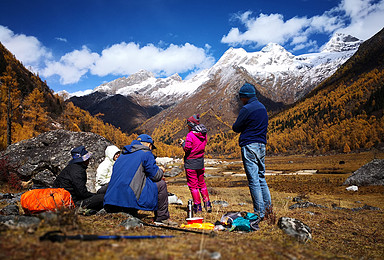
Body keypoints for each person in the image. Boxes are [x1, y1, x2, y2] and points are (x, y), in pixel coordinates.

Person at [103, 134, 177, 226]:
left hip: (111, 198)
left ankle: (129, 210)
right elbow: (156, 176)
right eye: (151, 147)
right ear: (149, 145)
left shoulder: (123, 154)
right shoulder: (146, 153)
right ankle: (162, 218)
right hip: (129, 196)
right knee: (161, 184)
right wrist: (161, 170)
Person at [232, 83, 272, 219]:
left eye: (241, 97)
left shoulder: (246, 109)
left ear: (245, 97)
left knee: (253, 180)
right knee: (261, 178)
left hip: (249, 145)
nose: (240, 100)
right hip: (262, 145)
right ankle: (268, 210)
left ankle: (259, 213)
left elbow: (236, 127)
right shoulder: (262, 107)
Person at [53, 145, 104, 213]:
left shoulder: (69, 168)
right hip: (72, 202)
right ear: (84, 160)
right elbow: (82, 193)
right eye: (88, 158)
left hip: (61, 200)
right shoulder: (78, 171)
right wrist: (94, 195)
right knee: (102, 198)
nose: (89, 160)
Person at [179, 114, 212, 214]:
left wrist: (183, 143)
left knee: (193, 186)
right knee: (202, 184)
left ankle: (197, 207)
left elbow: (187, 148)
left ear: (191, 124)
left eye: (188, 125)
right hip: (200, 161)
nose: (187, 127)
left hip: (191, 163)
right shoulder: (203, 134)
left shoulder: (190, 135)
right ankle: (207, 204)